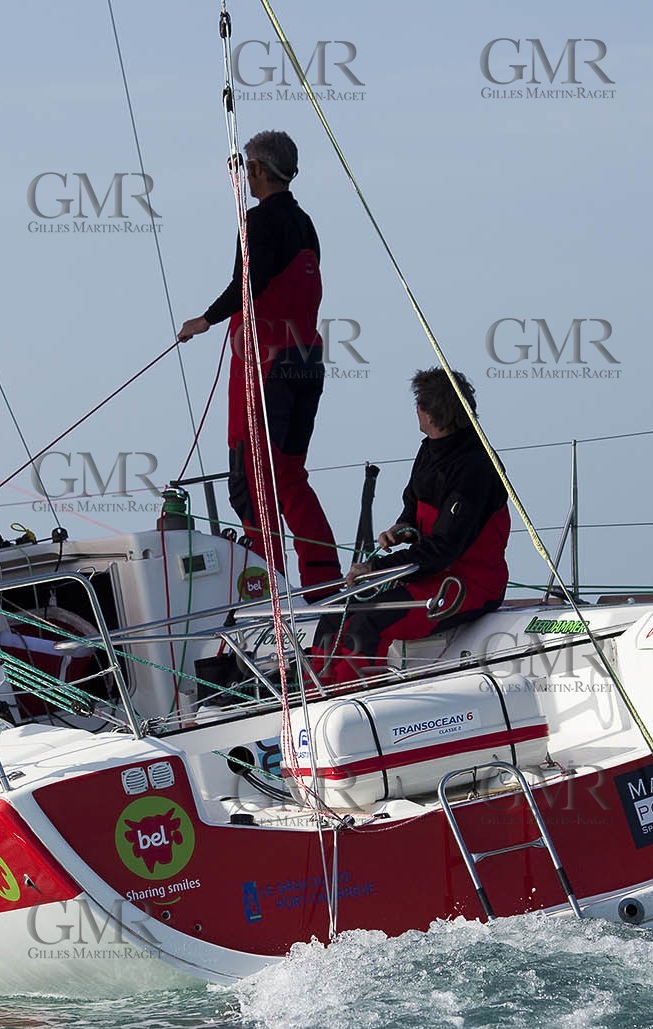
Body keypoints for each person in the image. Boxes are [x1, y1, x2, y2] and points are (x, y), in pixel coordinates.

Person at [177, 130, 341, 602]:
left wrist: (204, 320)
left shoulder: (257, 222)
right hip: (307, 362)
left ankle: (273, 595)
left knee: (250, 482)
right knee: (289, 476)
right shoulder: (306, 223)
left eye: (247, 167)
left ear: (261, 171)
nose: (244, 174)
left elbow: (245, 285)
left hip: (267, 365)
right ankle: (322, 584)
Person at [317, 368, 511, 685]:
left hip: (469, 585)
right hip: (429, 575)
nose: (415, 410)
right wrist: (403, 527)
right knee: (337, 609)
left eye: (418, 404)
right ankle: (316, 686)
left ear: (432, 414)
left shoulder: (475, 468)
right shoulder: (430, 449)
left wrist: (377, 567)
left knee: (369, 622)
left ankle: (351, 694)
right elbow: (413, 503)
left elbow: (443, 551)